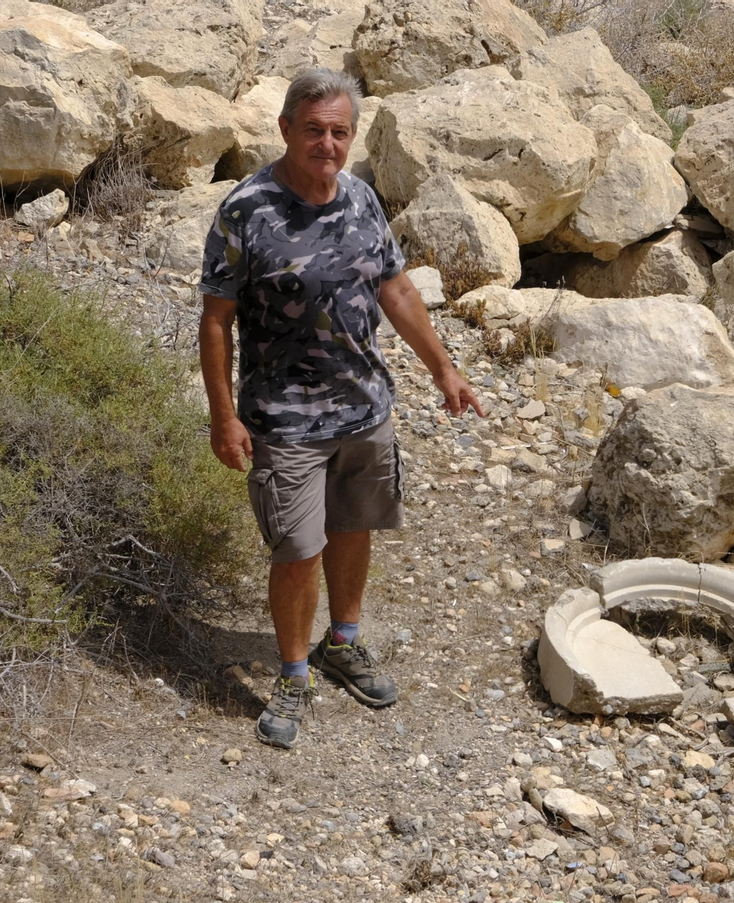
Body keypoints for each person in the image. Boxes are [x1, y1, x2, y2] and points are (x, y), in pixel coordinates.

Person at [197, 68, 483, 749]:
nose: (327, 144)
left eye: (339, 132)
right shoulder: (247, 209)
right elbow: (215, 321)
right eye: (315, 130)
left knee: (355, 525)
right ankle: (293, 674)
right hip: (285, 419)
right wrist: (223, 414)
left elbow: (396, 289)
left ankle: (343, 643)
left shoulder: (359, 199)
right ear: (286, 130)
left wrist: (444, 367)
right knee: (298, 548)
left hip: (364, 409)